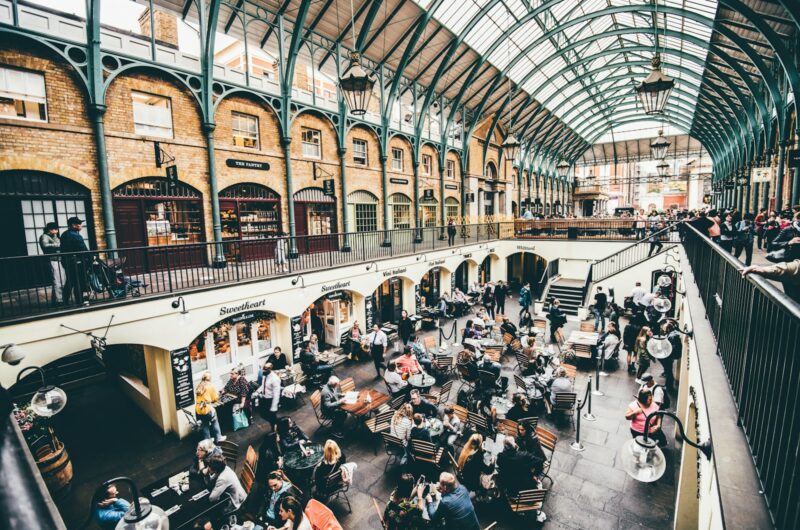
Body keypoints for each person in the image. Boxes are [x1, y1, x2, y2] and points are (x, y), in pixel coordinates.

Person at [60, 216, 89, 306]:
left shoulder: (64, 234)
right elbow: (83, 248)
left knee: (70, 281)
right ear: (73, 225)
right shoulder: (76, 235)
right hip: (77, 261)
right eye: (79, 224)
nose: (81, 226)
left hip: (66, 261)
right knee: (78, 282)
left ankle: (65, 301)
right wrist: (91, 257)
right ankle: (79, 301)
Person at [195, 372, 225, 443]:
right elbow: (215, 398)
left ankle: (207, 441)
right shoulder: (210, 386)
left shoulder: (199, 385)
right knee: (215, 422)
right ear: (210, 379)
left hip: (199, 409)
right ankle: (218, 438)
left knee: (205, 425)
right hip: (207, 408)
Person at [39, 222, 64, 305]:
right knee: (57, 280)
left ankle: (57, 299)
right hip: (52, 259)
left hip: (58, 259)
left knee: (61, 280)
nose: (56, 231)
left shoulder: (54, 236)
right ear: (50, 229)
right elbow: (45, 245)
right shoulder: (44, 236)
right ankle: (58, 300)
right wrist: (58, 245)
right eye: (55, 229)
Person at [254, 363, 281, 429]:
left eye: (265, 370)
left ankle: (277, 429)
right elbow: (263, 385)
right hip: (264, 398)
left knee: (272, 417)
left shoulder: (275, 379)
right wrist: (257, 392)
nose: (263, 371)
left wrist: (274, 407)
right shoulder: (265, 375)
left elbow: (276, 394)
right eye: (263, 369)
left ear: (270, 369)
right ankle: (278, 423)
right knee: (262, 414)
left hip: (271, 400)